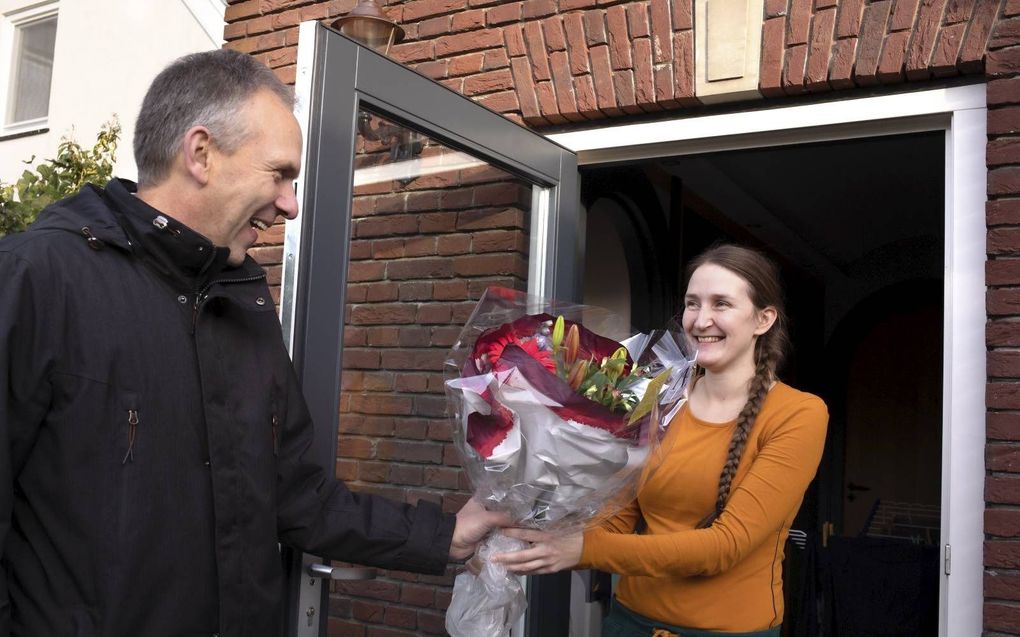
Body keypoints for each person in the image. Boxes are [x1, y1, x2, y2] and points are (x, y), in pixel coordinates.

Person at [0, 49, 504, 636]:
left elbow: (296, 497)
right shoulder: (35, 280)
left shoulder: (243, 302)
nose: (290, 203)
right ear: (201, 153)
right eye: (280, 174)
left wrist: (445, 535)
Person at [495, 244, 829, 636]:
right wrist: (527, 540)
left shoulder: (798, 414)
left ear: (763, 319)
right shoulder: (662, 399)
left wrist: (583, 549)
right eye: (692, 303)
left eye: (721, 304)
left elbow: (726, 546)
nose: (701, 319)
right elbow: (621, 517)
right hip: (629, 622)